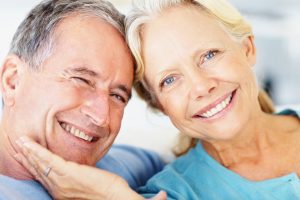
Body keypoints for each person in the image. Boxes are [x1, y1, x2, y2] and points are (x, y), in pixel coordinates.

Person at [15, 0, 300, 199]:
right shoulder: (171, 192)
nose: (201, 87)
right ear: (159, 105)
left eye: (209, 55)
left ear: (247, 48)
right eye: (170, 80)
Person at [0, 0, 166, 199]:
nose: (101, 116)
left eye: (117, 96)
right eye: (82, 80)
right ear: (13, 80)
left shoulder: (134, 166)